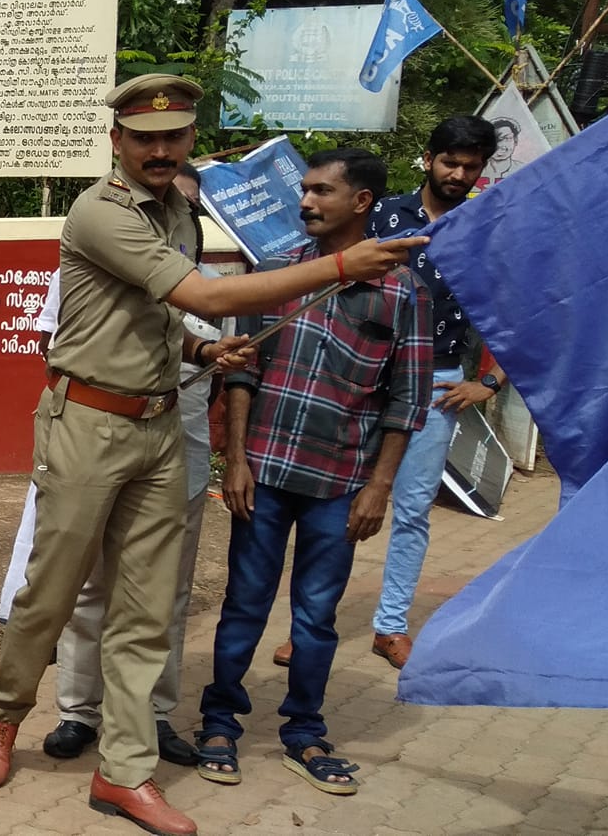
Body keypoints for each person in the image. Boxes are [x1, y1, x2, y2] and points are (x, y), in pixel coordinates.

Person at [0, 74, 428, 836]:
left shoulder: (180, 212)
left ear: (188, 140)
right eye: (144, 138)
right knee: (53, 590)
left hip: (158, 428)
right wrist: (344, 266)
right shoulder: (100, 212)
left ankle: (124, 772)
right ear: (116, 141)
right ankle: (1, 715)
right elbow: (207, 296)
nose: (159, 150)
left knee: (148, 610)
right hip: (89, 422)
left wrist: (201, 351)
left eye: (173, 137)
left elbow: (152, 315)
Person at [197, 148, 431, 797]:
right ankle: (220, 722)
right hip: (264, 473)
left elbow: (407, 400)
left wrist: (379, 486)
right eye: (304, 189)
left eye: (321, 190)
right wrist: (235, 459)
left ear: (361, 201)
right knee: (244, 605)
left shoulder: (404, 291)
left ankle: (304, 732)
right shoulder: (273, 273)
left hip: (341, 483)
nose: (305, 201)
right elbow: (241, 371)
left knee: (316, 617)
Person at [8, 164, 226, 769]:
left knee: (161, 594)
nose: (167, 214)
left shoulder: (209, 287)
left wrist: (207, 350)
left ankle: (149, 718)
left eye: (182, 207)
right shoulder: (92, 256)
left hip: (176, 444)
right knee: (82, 585)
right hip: (96, 438)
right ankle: (77, 711)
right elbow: (55, 348)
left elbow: (204, 339)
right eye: (157, 205)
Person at [360, 115, 504, 670]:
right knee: (337, 502)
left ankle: (390, 626)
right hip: (366, 374)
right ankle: (311, 625)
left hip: (438, 381)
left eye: (470, 166)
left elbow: (516, 310)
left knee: (413, 509)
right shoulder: (381, 216)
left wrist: (488, 382)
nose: (458, 174)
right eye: (450, 162)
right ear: (428, 159)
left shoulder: (486, 228)